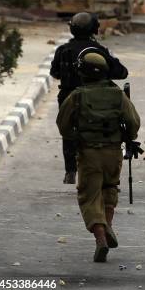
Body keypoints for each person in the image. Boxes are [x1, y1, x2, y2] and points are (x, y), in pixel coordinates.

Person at [56, 51, 140, 262]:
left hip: (89, 152)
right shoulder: (117, 94)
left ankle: (101, 238)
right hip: (113, 152)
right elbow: (133, 121)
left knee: (89, 195)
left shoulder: (77, 95)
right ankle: (108, 224)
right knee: (110, 188)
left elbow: (63, 124)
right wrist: (129, 138)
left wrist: (76, 137)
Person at [51, 12, 128, 184]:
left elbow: (54, 72)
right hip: (96, 98)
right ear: (94, 29)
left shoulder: (63, 51)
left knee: (68, 132)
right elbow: (121, 72)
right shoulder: (98, 51)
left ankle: (70, 171)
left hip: (68, 97)